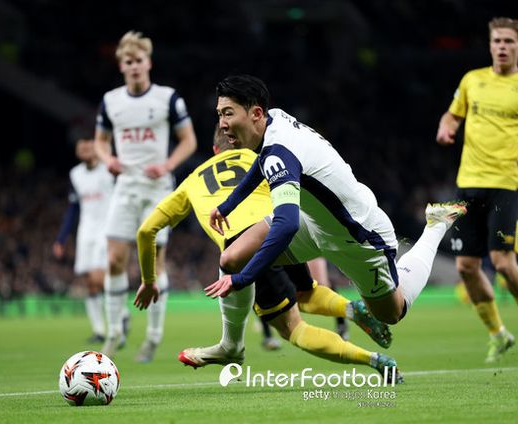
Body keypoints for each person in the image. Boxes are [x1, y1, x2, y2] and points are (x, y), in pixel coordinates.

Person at [177, 75, 464, 343]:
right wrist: (229, 204)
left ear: (255, 113)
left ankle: (435, 226)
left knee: (392, 312)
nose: (222, 123)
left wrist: (244, 279)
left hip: (358, 235)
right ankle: (231, 345)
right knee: (233, 256)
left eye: (228, 114)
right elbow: (262, 163)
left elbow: (286, 224)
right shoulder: (274, 119)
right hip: (314, 219)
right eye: (220, 114)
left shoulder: (279, 153)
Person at [134, 129, 398, 382]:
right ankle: (351, 308)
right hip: (277, 231)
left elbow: (146, 231)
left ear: (215, 150)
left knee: (294, 329)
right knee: (305, 293)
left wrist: (149, 280)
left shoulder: (193, 180)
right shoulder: (261, 156)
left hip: (243, 246)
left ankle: (373, 360)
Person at [436, 17, 518, 363]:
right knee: (465, 267)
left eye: (508, 41)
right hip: (468, 183)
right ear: (490, 46)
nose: (502, 46)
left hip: (505, 184)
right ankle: (498, 334)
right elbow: (451, 116)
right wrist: (445, 128)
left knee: (503, 263)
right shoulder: (472, 80)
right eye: (497, 41)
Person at [94, 30, 198, 362]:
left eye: (139, 60)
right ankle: (114, 332)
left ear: (148, 63)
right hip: (125, 186)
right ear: (121, 66)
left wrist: (167, 164)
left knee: (153, 263)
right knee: (114, 259)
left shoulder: (168, 98)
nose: (134, 66)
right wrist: (107, 159)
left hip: (157, 189)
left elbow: (189, 141)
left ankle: (153, 336)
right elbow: (100, 141)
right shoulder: (111, 101)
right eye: (128, 61)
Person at [53, 138, 114, 343]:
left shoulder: (108, 169)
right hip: (86, 232)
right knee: (90, 283)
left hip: (106, 229)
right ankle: (99, 330)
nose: (85, 149)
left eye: (89, 146)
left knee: (98, 277)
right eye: (81, 147)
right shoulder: (76, 174)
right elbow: (73, 209)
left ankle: (120, 315)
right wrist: (61, 239)